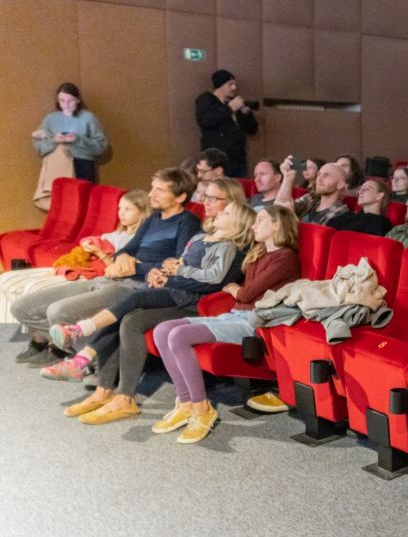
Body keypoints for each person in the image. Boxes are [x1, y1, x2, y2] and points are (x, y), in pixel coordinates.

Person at [128, 206, 302, 443]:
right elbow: (243, 295)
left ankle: (202, 409)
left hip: (255, 323)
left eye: (260, 220)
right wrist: (236, 291)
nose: (253, 225)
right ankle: (185, 403)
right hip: (234, 315)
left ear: (276, 225)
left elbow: (245, 294)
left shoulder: (285, 257)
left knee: (178, 336)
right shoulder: (258, 254)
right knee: (162, 330)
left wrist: (236, 290)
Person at [50, 202, 256, 397]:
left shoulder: (228, 247)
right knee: (125, 311)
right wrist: (163, 271)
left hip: (186, 296)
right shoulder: (200, 237)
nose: (219, 212)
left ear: (238, 225)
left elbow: (211, 279)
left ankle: (80, 332)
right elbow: (181, 262)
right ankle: (82, 362)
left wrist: (173, 276)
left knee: (134, 301)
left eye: (227, 213)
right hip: (173, 286)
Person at [12, 168, 201, 368]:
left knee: (57, 312)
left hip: (135, 286)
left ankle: (92, 363)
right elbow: (126, 250)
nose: (151, 194)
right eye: (152, 188)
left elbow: (178, 265)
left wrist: (136, 268)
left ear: (180, 197)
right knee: (22, 307)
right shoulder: (153, 219)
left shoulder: (188, 222)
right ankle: (83, 353)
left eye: (160, 190)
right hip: (110, 278)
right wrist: (124, 256)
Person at [3, 189, 148, 329]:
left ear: (142, 212)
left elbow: (120, 272)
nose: (121, 213)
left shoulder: (145, 239)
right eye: (120, 208)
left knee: (56, 311)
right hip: (96, 277)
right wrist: (88, 245)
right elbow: (94, 245)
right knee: (19, 306)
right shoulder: (114, 235)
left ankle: (72, 338)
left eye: (128, 209)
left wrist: (100, 253)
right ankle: (65, 337)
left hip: (118, 284)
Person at [32, 82, 108, 184]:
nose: (66, 105)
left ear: (78, 100)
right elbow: (38, 147)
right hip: (57, 165)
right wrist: (54, 141)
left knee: (82, 194)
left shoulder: (88, 118)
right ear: (57, 101)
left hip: (83, 165)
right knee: (59, 194)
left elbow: (101, 147)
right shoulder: (50, 119)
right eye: (62, 100)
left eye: (70, 100)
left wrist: (78, 139)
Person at [194, 69, 257, 177]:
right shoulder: (206, 100)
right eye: (230, 84)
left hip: (238, 158)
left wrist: (246, 113)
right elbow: (205, 121)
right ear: (220, 85)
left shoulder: (235, 103)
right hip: (216, 159)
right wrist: (229, 109)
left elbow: (252, 130)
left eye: (235, 84)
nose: (234, 88)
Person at [276, 157, 349, 225]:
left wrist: (291, 216)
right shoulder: (311, 199)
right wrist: (288, 178)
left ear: (340, 185)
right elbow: (280, 209)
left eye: (326, 175)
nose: (319, 179)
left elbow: (315, 233)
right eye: (319, 174)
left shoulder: (341, 213)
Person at [328, 178, 392, 235]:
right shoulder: (349, 215)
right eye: (360, 189)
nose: (360, 192)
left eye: (366, 189)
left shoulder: (382, 224)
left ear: (379, 196)